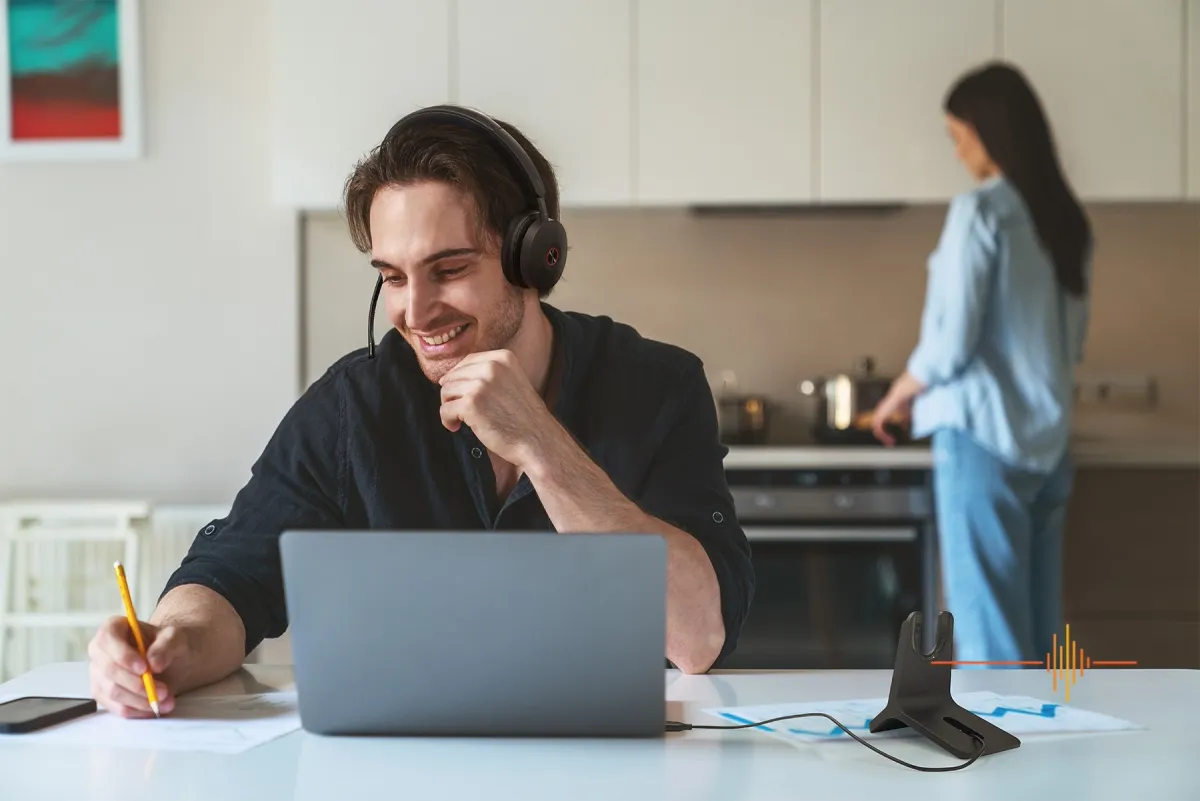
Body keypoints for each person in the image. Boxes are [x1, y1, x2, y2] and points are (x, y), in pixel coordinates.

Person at [86, 105, 755, 717]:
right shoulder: (354, 404)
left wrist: (543, 446)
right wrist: (169, 641)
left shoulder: (658, 385)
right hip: (399, 768)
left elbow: (698, 639)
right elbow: (231, 574)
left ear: (535, 256)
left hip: (616, 769)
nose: (416, 311)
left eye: (450, 268)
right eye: (394, 277)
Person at [870, 63, 1092, 666]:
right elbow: (1072, 345)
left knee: (991, 641)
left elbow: (949, 344)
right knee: (1044, 641)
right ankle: (1048, 754)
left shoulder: (983, 212)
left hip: (982, 441)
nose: (959, 151)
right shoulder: (1063, 220)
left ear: (990, 132)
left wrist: (897, 395)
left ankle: (1003, 756)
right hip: (1049, 448)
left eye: (959, 135)